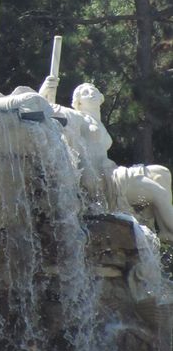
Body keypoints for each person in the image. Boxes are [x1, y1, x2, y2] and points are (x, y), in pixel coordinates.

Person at [40, 78, 173, 241]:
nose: (91, 92)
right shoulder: (76, 116)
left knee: (162, 173)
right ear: (78, 103)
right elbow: (45, 110)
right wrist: (46, 89)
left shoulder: (98, 122)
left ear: (101, 96)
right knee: (156, 191)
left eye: (94, 89)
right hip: (102, 180)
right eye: (85, 92)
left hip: (111, 170)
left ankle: (165, 232)